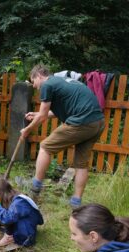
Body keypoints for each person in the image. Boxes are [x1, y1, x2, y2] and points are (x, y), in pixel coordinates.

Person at [20, 64, 105, 207]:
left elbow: (42, 117)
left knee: (45, 147)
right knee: (81, 163)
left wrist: (27, 130)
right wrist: (37, 114)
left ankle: (35, 186)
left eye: (33, 81)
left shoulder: (48, 84)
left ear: (39, 75)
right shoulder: (63, 81)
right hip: (97, 122)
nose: (34, 86)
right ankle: (76, 202)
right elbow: (46, 114)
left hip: (81, 121)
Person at [0, 178, 43, 247]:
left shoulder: (18, 203)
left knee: (6, 219)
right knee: (5, 218)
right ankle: (12, 235)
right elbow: (11, 213)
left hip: (27, 236)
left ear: (0, 195)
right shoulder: (16, 198)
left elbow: (7, 218)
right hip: (27, 227)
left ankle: (8, 238)